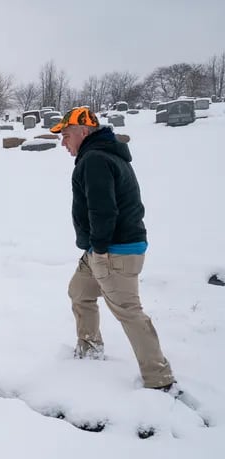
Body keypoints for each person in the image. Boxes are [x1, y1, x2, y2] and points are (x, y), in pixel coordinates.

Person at [50, 107, 176, 391]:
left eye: (66, 135)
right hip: (102, 247)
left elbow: (103, 209)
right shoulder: (102, 154)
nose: (63, 143)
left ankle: (159, 379)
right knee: (79, 292)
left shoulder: (95, 159)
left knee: (128, 311)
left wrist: (100, 249)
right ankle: (90, 349)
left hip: (113, 250)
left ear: (83, 132)